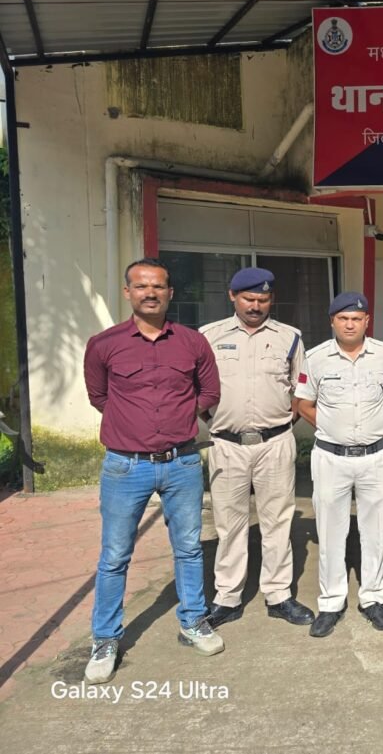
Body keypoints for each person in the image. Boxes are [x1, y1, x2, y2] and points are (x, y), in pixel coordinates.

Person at [82, 257, 223, 685]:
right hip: (126, 466)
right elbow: (98, 396)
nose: (150, 293)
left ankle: (193, 620)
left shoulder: (192, 342)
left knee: (189, 548)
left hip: (182, 463)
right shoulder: (104, 344)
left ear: (170, 293)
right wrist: (135, 425)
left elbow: (209, 391)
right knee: (114, 556)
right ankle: (105, 638)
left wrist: (179, 417)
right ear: (128, 292)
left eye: (158, 286)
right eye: (141, 286)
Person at [199, 267, 314, 629]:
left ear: (271, 300)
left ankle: (279, 595)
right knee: (228, 522)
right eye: (248, 298)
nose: (255, 305)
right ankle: (228, 597)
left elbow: (301, 388)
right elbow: (197, 388)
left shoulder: (289, 338)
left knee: (277, 521)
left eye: (263, 299)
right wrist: (213, 421)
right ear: (232, 296)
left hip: (275, 442)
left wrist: (284, 423)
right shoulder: (209, 336)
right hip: (226, 443)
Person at [294, 292, 383, 637]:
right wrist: (332, 428)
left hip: (376, 457)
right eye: (343, 319)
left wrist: (369, 424)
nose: (350, 324)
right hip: (331, 458)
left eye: (356, 319)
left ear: (367, 321)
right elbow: (303, 403)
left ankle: (372, 599)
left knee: (374, 531)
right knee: (330, 533)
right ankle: (331, 602)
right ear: (332, 322)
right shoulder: (315, 358)